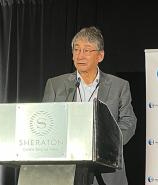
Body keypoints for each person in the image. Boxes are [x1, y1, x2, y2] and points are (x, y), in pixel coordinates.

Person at [42, 26, 137, 185]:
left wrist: (107, 142)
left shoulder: (119, 86)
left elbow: (129, 122)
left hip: (105, 167)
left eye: (87, 50)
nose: (80, 55)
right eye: (76, 50)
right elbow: (46, 121)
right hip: (66, 167)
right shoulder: (55, 85)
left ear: (100, 56)